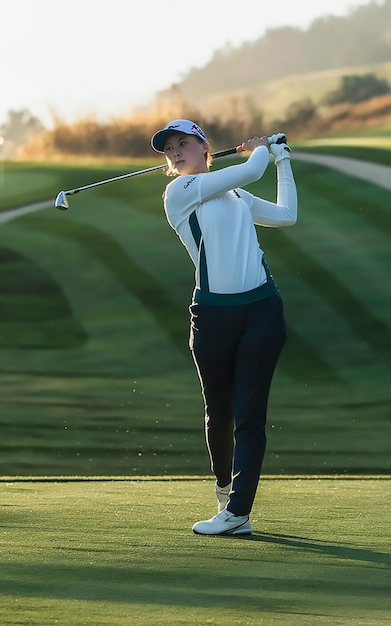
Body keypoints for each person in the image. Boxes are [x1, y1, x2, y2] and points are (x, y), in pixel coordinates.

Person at [150, 119, 297, 536]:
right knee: (220, 412)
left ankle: (238, 514)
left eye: (184, 143)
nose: (176, 152)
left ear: (204, 146)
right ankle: (224, 488)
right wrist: (261, 148)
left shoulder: (235, 195)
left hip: (262, 310)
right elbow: (252, 168)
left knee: (250, 416)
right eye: (169, 149)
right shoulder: (178, 193)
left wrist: (282, 160)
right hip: (214, 316)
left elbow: (287, 216)